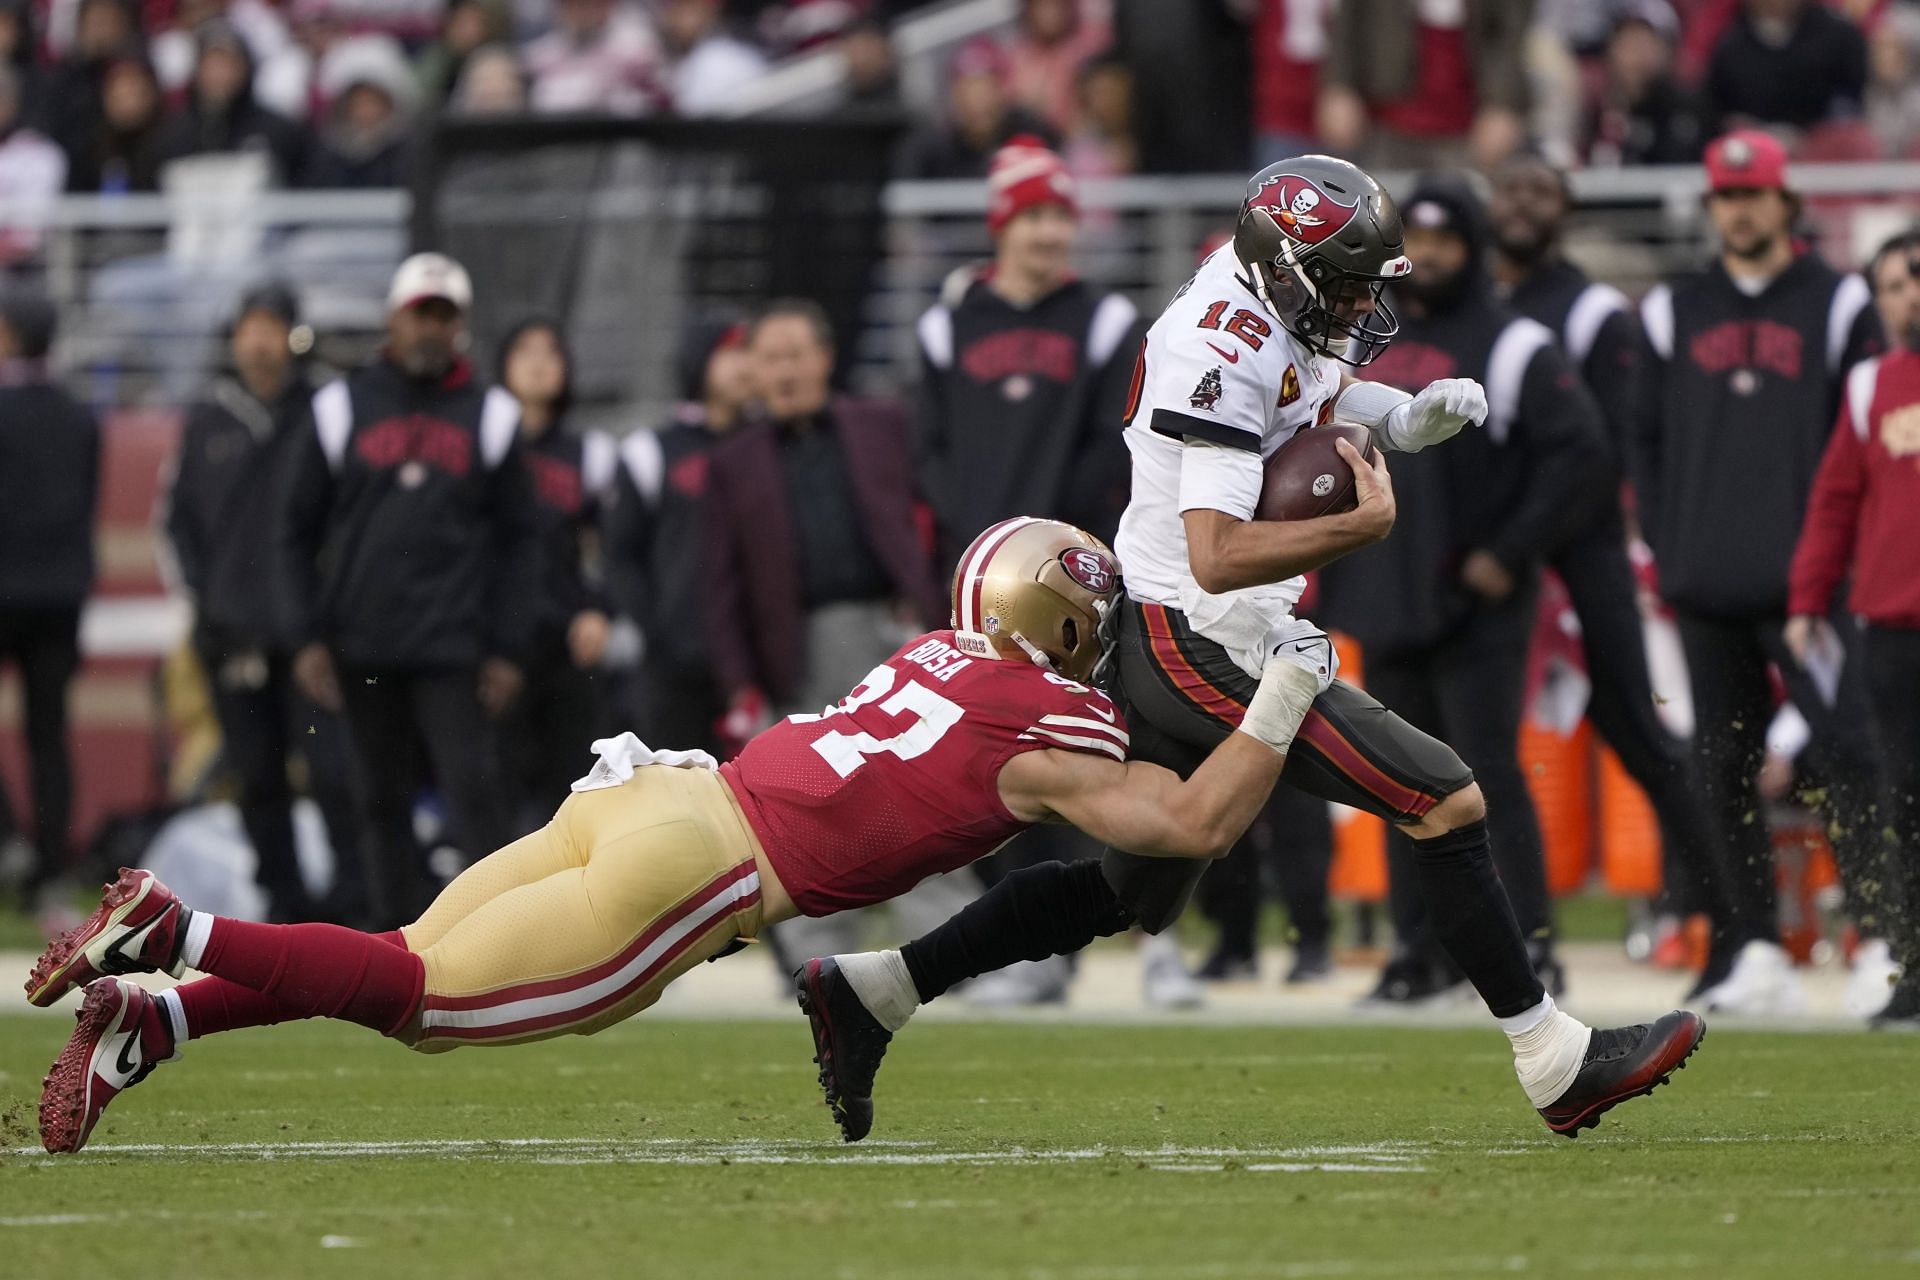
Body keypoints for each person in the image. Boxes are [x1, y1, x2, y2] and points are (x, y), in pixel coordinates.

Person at [820, 157, 1702, 1139]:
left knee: (1126, 886)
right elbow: (1221, 549)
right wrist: (1352, 530)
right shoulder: (1219, 342)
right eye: (1348, 280)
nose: (1364, 302)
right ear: (1286, 267)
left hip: (1198, 625)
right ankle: (1553, 1059)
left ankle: (876, 989)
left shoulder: (1272, 296)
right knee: (1442, 791)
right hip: (1197, 632)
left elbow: (1304, 397)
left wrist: (1397, 422)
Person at [32, 517, 1340, 1153]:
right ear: (1069, 632)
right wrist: (1286, 686)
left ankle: (168, 1019)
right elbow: (1190, 821)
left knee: (398, 950)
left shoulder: (939, 655)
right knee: (423, 1003)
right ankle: (175, 929)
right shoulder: (1055, 730)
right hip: (704, 870)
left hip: (646, 796)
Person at [912, 135, 1194, 1008]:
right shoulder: (944, 325)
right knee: (995, 766)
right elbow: (928, 456)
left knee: (1088, 754)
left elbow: (1116, 454)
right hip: (981, 588)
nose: (1048, 234)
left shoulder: (1105, 322)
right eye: (1032, 216)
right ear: (1002, 224)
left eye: (1060, 216)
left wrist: (1074, 557)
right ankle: (1028, 952)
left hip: (1073, 588)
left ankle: (1144, 941)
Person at [1319, 177, 1611, 1002]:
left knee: (1487, 774)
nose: (1434, 254)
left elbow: (1579, 454)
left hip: (1478, 599)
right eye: (1423, 237)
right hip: (1385, 588)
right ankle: (1418, 955)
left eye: (1450, 238)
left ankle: (1532, 948)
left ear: (1475, 244)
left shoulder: (1515, 341)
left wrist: (1509, 552)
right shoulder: (1360, 341)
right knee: (1396, 781)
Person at [1633, 129, 1890, 1015]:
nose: (1740, 210)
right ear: (1712, 206)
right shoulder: (1673, 308)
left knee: (1852, 753)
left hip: (1811, 585)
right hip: (1707, 577)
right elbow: (1646, 443)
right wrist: (1670, 549)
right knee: (1720, 763)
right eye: (1726, 196)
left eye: (1754, 194)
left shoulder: (1842, 301)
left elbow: (1860, 441)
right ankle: (1751, 945)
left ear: (1786, 203)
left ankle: (1881, 938)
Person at [1487, 152, 1738, 998]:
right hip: (1497, 559)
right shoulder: (1472, 307)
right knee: (1475, 752)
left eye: (1540, 190)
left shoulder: (1592, 312)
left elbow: (1605, 454)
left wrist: (1531, 541)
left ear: (1566, 209)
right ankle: (1502, 944)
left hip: (1575, 556)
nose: (1522, 203)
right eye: (1512, 186)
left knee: (1639, 737)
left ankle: (1728, 923)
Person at [277, 253, 541, 931]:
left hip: (455, 646)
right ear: (394, 317)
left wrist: (509, 646)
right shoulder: (339, 406)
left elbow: (522, 541)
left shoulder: (493, 414)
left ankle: (496, 940)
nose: (429, 328)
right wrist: (306, 635)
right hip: (364, 643)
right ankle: (393, 946)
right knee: (376, 800)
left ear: (461, 325)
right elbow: (292, 531)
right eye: (420, 312)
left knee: (475, 793)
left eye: (443, 315)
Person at [705, 299, 959, 967]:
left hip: (892, 630)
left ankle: (948, 939)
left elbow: (933, 512)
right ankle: (815, 958)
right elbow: (720, 583)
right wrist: (738, 682)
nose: (785, 370)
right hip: (794, 649)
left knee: (921, 790)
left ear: (824, 359)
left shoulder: (884, 424)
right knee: (806, 805)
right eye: (771, 357)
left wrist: (939, 610)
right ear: (752, 370)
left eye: (796, 353)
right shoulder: (732, 463)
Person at [158, 283, 360, 923]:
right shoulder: (208, 418)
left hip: (314, 636)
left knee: (334, 770)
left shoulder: (327, 411)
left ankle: (356, 900)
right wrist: (210, 601)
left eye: (273, 326)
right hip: (235, 635)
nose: (261, 341)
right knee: (258, 777)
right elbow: (176, 523)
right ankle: (284, 904)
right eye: (250, 326)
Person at [1786, 229, 1920, 1027]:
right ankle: (1915, 966)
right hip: (1893, 630)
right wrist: (1807, 599)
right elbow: (1836, 499)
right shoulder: (1872, 384)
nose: (1910, 294)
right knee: (1906, 800)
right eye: (1897, 283)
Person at [604, 316, 754, 757]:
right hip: (676, 663)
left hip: (756, 659)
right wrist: (658, 631)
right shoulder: (649, 452)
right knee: (676, 792)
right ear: (698, 361)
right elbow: (620, 555)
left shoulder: (768, 443)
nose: (743, 365)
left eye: (748, 352)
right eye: (730, 352)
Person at [493, 318, 617, 833]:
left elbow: (612, 549)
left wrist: (599, 608)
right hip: (495, 645)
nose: (539, 362)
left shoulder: (590, 454)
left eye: (551, 351)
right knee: (495, 791)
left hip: (568, 642)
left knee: (570, 793)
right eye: (525, 350)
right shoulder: (483, 447)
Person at [0, 291, 98, 899]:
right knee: (49, 737)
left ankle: (10, 838)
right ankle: (50, 867)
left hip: (3, 589)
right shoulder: (78, 414)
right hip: (60, 596)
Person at [1315, 0, 1532, 172]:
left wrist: (1504, 102)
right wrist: (1338, 86)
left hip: (1469, 125)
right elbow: (1347, 17)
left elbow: (1512, 30)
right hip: (1385, 117)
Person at [152, 20, 308, 186]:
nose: (220, 74)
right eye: (212, 65)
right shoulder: (170, 137)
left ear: (246, 68)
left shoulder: (279, 132)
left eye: (229, 64)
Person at [895, 38, 1058, 180]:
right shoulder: (930, 151)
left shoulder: (1032, 136)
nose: (979, 102)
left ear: (1004, 92)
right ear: (955, 96)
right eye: (969, 91)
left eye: (987, 89)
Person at [1707, 0, 1868, 132]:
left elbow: (1852, 97)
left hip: (1823, 148)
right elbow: (1718, 108)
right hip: (1753, 147)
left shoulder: (1839, 36)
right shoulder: (1729, 42)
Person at [524, 0, 664, 116]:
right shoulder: (539, 56)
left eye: (591, 5)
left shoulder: (636, 52)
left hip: (616, 137)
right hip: (553, 140)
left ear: (608, 7)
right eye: (574, 5)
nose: (582, 13)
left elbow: (654, 106)